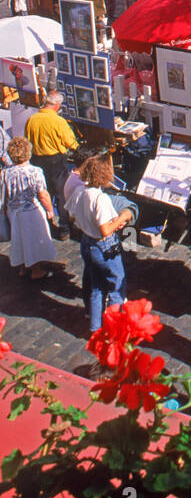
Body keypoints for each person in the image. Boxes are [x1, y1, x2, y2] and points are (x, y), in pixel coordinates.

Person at [67, 154, 134, 332]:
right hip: (103, 244)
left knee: (96, 287)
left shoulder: (79, 191)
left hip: (86, 242)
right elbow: (105, 229)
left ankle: (95, 328)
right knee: (116, 286)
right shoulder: (100, 198)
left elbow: (71, 215)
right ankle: (114, 329)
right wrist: (123, 217)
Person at [0, 135, 59, 281]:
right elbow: (43, 194)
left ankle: (22, 267)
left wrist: (7, 210)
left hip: (14, 211)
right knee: (33, 239)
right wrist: (50, 210)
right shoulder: (35, 171)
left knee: (19, 238)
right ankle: (36, 270)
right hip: (31, 211)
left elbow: (4, 195)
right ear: (28, 152)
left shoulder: (5, 173)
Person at [26, 90, 79, 238]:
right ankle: (64, 228)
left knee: (43, 192)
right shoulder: (58, 121)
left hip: (37, 160)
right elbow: (71, 143)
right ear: (57, 105)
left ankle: (45, 224)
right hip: (55, 161)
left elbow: (28, 140)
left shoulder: (32, 119)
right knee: (61, 194)